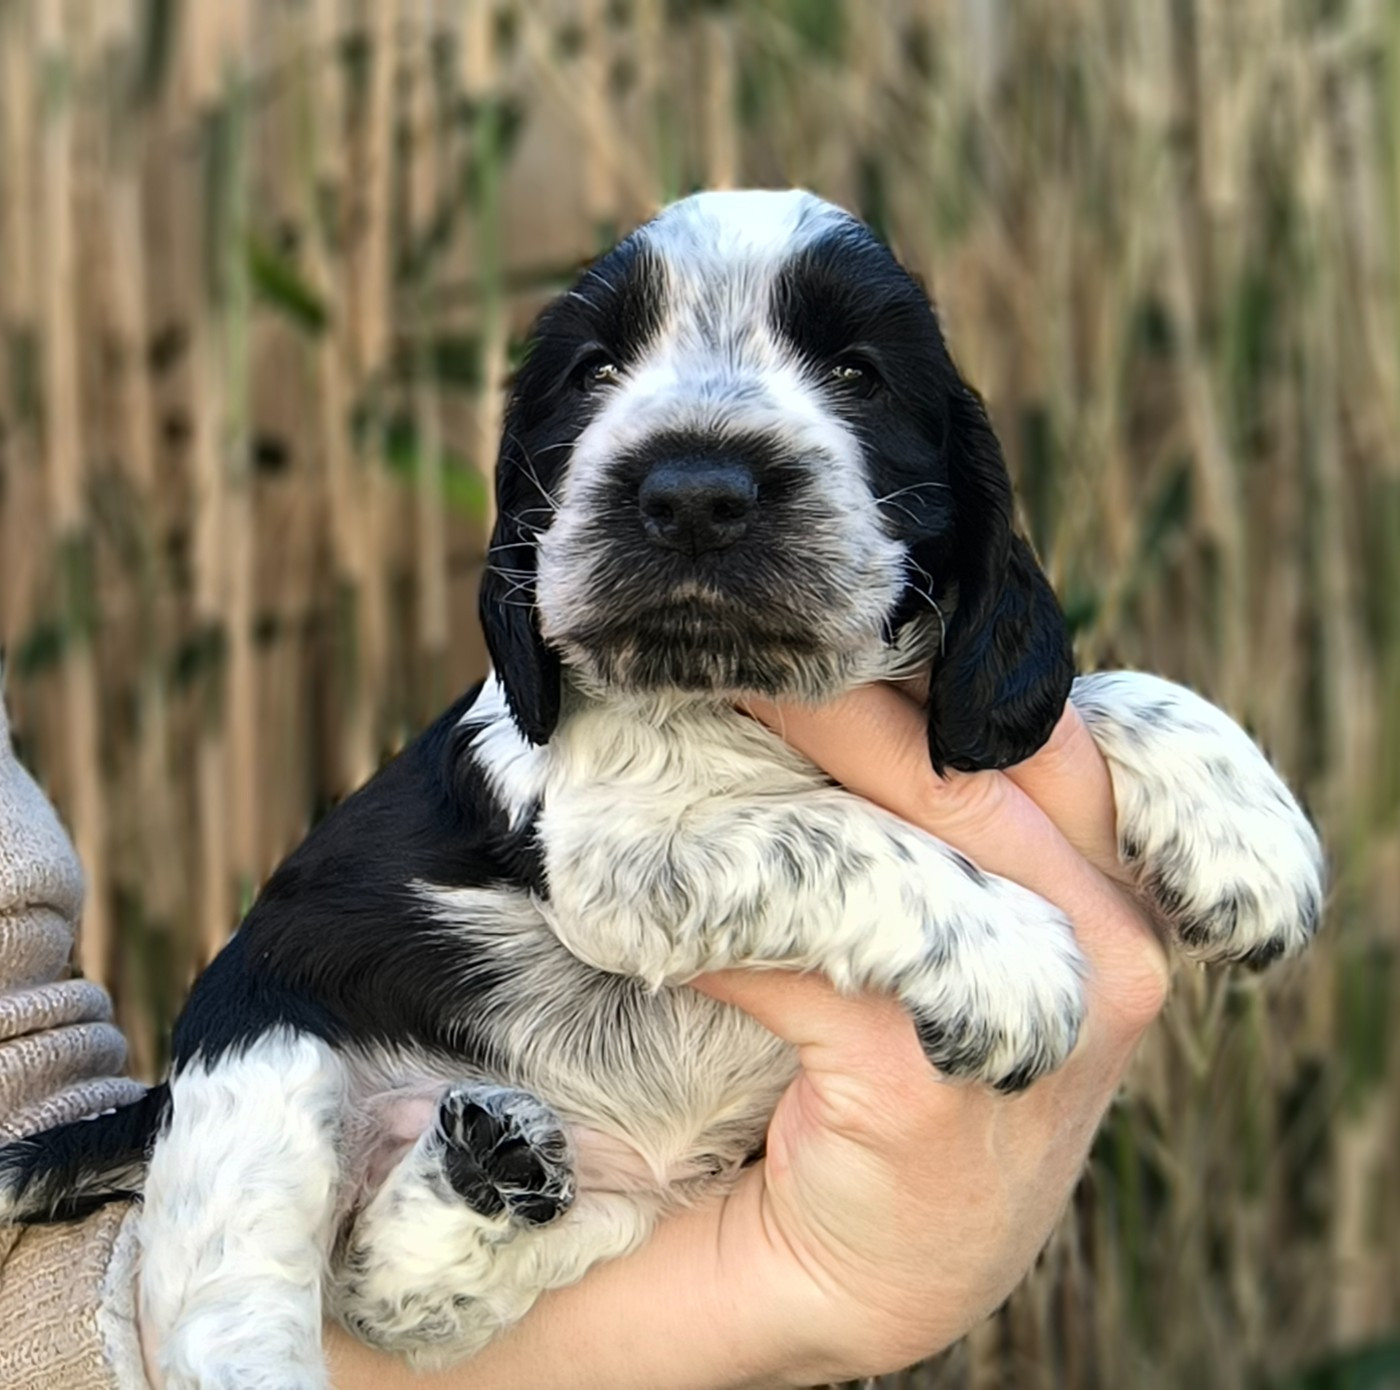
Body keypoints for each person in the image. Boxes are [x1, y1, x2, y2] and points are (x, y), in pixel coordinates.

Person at [0, 675, 1168, 1389]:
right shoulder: (556, 722)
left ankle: (442, 1225)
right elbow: (618, 883)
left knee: (518, 1228)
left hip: (579, 1174)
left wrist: (1136, 752)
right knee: (251, 1305)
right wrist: (786, 1285)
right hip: (318, 1044)